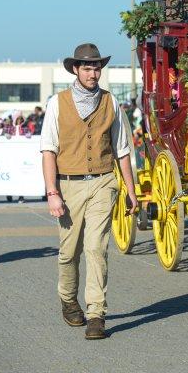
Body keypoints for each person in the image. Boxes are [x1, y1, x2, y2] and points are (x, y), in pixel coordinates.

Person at [40, 43, 137, 340]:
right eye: (87, 67)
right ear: (75, 69)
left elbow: (122, 151)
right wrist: (52, 192)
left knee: (96, 247)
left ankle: (97, 314)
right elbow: (48, 151)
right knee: (70, 252)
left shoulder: (111, 104)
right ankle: (68, 299)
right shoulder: (58, 103)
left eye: (96, 67)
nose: (93, 73)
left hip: (103, 182)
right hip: (68, 185)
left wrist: (131, 192)